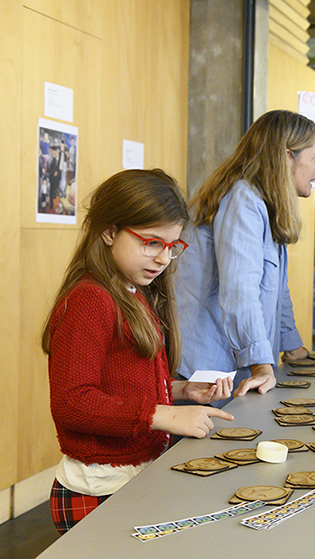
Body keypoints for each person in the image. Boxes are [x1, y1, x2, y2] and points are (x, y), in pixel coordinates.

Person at [43, 169, 234, 535]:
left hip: (133, 477)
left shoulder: (132, 292)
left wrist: (178, 391)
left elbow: (121, 382)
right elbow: (73, 402)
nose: (163, 258)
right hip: (98, 490)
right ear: (109, 231)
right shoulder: (88, 300)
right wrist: (162, 415)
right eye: (151, 243)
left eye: (172, 246)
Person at [175, 110, 315, 401]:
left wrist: (293, 348)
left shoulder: (265, 203)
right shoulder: (243, 199)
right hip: (206, 373)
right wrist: (261, 366)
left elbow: (277, 290)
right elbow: (240, 291)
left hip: (228, 372)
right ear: (287, 156)